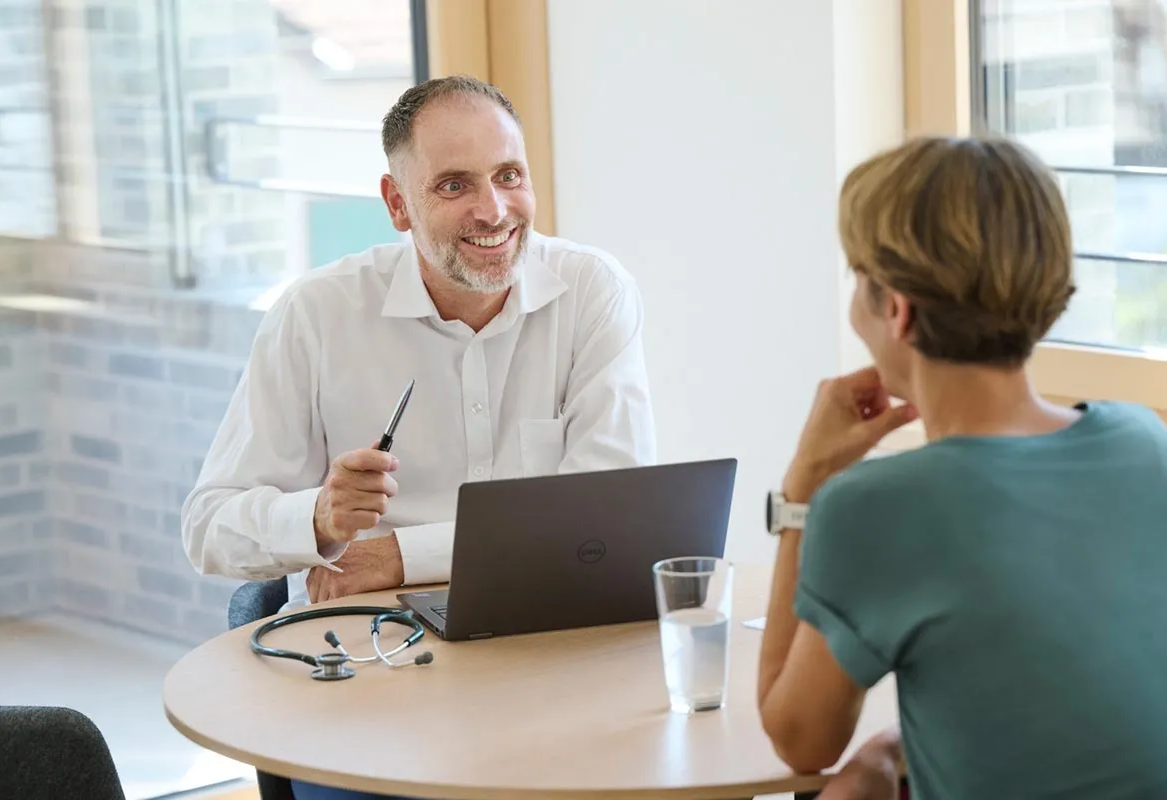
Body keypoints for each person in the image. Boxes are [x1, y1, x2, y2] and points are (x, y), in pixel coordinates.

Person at [181, 75, 656, 800]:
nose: (493, 210)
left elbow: (606, 517)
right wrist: (319, 518)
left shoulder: (593, 291)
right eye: (455, 185)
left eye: (509, 176)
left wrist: (398, 553)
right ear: (398, 204)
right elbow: (207, 528)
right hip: (368, 684)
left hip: (551, 665)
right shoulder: (316, 315)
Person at [756, 135, 1167, 799]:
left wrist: (805, 484)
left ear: (897, 309)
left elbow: (800, 740)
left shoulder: (877, 507)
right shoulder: (1145, 439)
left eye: (857, 279)